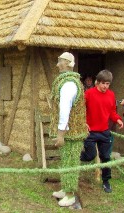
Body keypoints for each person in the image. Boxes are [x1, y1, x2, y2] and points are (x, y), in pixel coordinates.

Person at [49, 52, 88, 207]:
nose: (57, 64)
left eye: (60, 61)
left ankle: (71, 195)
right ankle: (66, 189)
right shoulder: (67, 82)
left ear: (66, 63)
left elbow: (65, 110)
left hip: (71, 133)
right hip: (71, 132)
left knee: (71, 162)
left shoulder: (68, 84)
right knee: (66, 161)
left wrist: (60, 135)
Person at [80, 70, 123, 193]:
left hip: (104, 131)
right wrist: (83, 123)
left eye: (108, 84)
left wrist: (118, 120)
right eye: (103, 83)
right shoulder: (88, 94)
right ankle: (77, 156)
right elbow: (80, 111)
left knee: (105, 157)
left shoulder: (111, 95)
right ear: (97, 82)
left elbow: (112, 112)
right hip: (90, 132)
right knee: (90, 156)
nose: (105, 86)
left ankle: (106, 181)